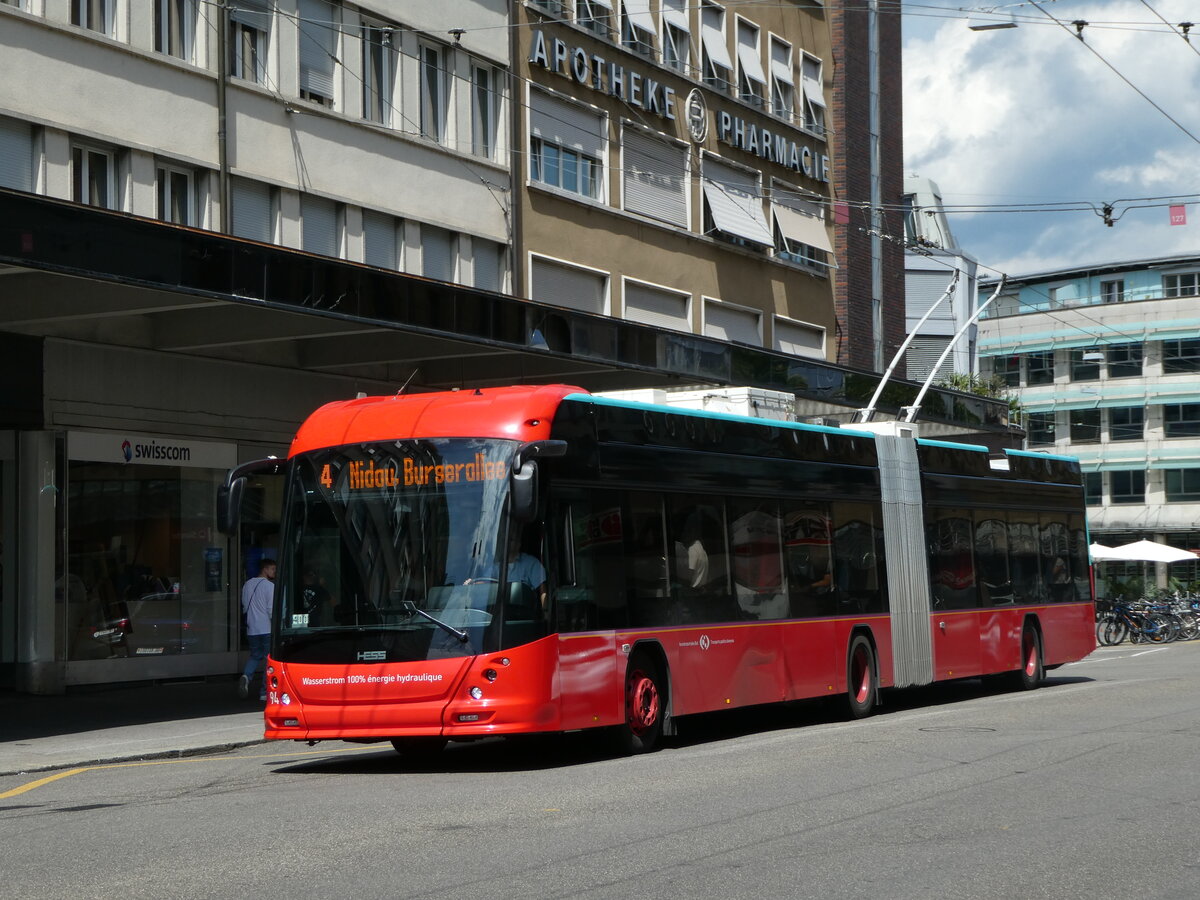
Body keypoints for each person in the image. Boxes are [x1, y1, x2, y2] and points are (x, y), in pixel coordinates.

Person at [239, 558, 276, 701]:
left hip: (252, 629)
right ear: (265, 569)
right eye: (272, 569)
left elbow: (244, 605)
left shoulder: (247, 584)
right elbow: (271, 610)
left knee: (255, 656)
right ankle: (263, 692)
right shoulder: (269, 586)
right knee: (269, 660)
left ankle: (246, 676)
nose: (274, 572)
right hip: (266, 628)